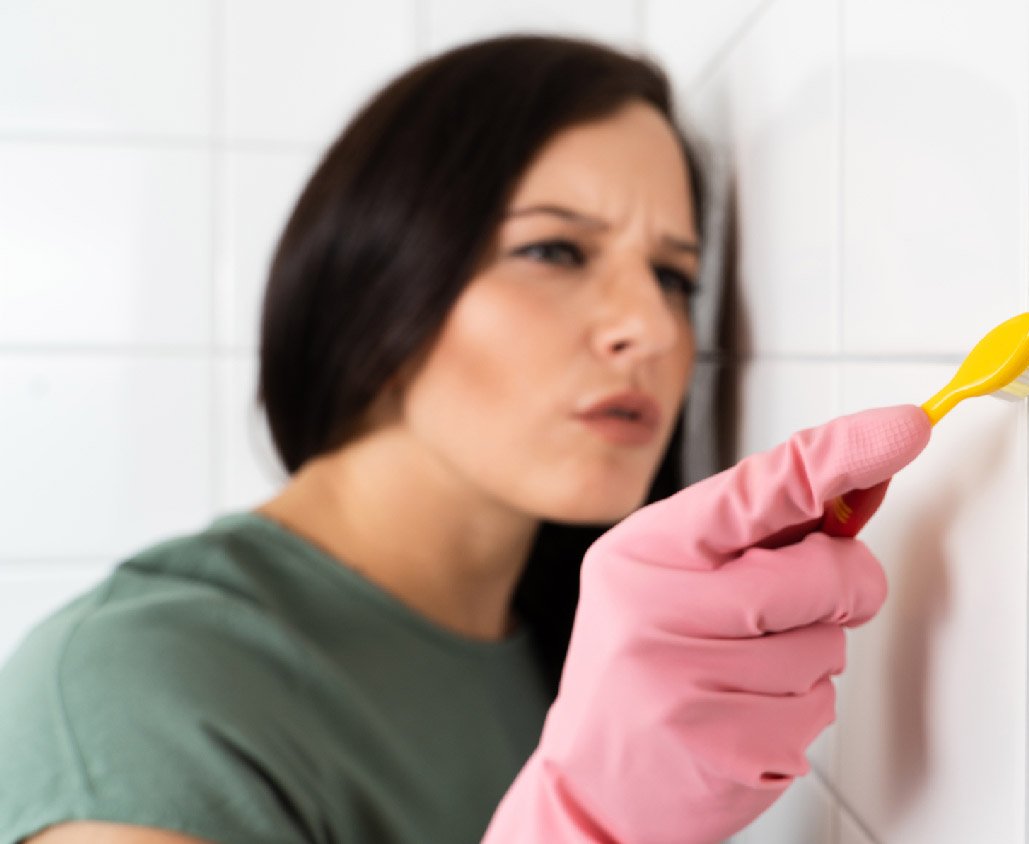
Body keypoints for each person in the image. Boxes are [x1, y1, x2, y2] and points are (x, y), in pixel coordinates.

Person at [0, 35, 930, 844]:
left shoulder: (568, 640)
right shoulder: (133, 689)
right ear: (378, 281)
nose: (648, 326)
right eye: (555, 251)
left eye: (674, 275)